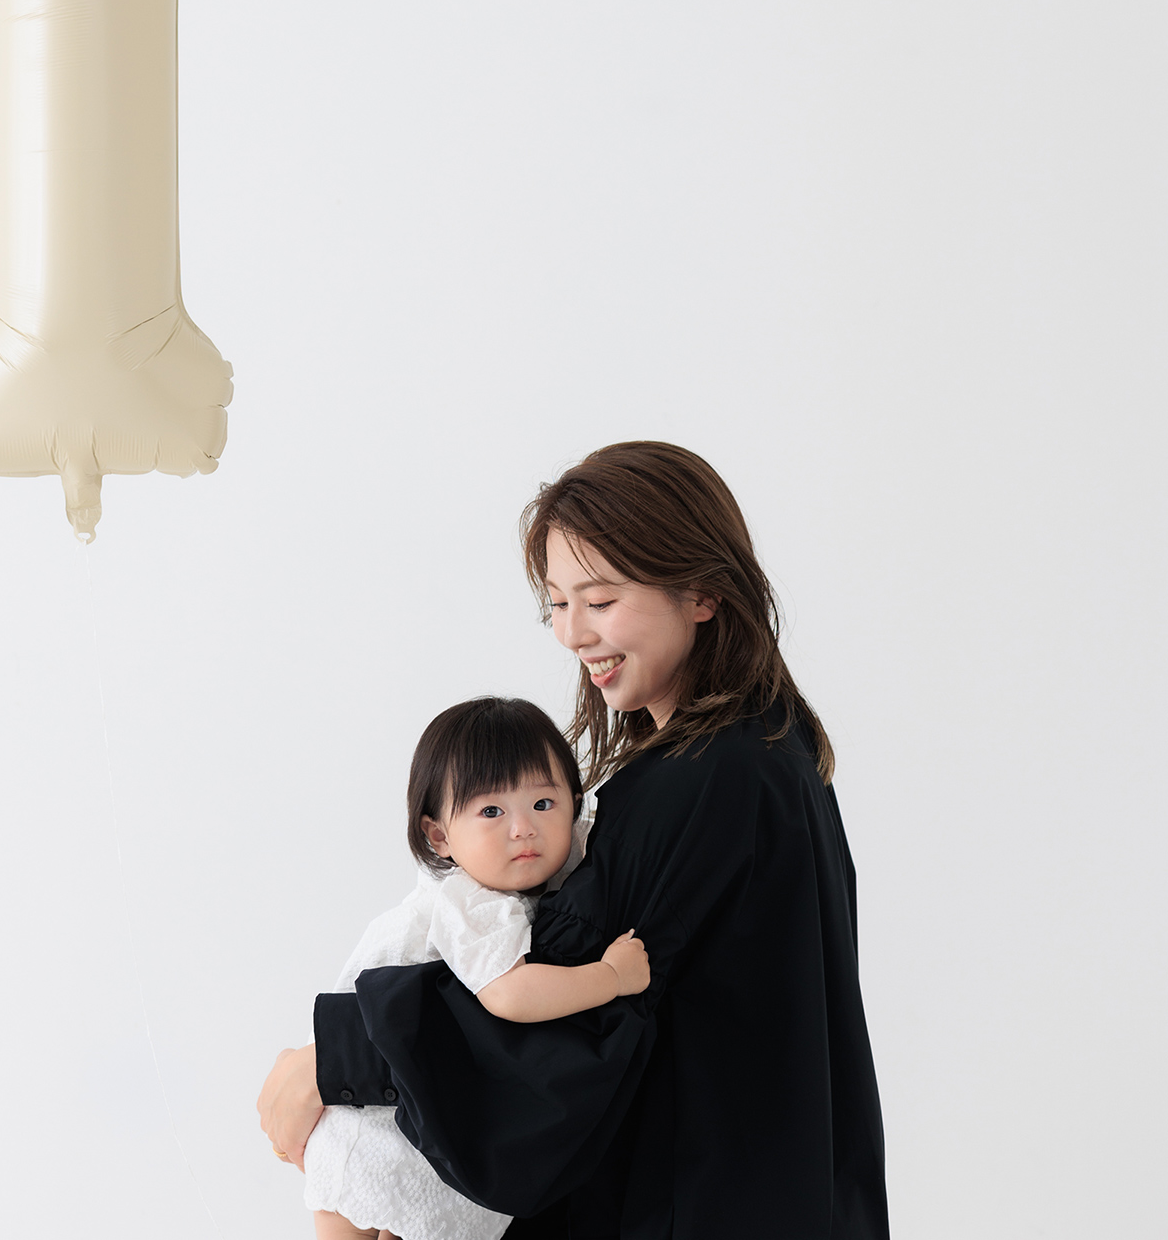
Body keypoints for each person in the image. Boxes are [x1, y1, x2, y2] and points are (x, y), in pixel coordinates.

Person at [259, 442, 889, 1239]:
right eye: (556, 604)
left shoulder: (706, 780)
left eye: (600, 599)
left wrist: (337, 1057)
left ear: (703, 592)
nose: (571, 633)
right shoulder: (770, 749)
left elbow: (546, 1016)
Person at [301, 696, 650, 1240]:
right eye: (491, 812)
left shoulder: (538, 874)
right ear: (439, 836)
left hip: (413, 1122)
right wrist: (611, 977)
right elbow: (509, 994)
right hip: (368, 1132)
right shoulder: (471, 901)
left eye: (543, 803)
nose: (523, 828)